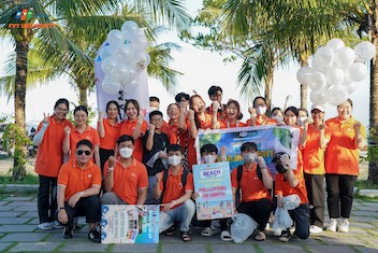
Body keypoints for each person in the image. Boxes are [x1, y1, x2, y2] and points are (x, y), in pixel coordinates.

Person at [325, 99, 367, 233]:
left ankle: (345, 221)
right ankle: (333, 220)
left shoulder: (357, 124)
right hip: (331, 165)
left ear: (351, 108)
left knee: (346, 194)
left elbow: (361, 146)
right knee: (333, 194)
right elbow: (324, 143)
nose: (344, 110)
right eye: (341, 107)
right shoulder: (329, 123)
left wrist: (357, 131)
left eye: (347, 107)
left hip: (349, 167)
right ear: (337, 108)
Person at [33, 98, 72, 230]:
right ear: (55, 109)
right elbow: (36, 141)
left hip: (60, 167)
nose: (62, 112)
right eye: (59, 109)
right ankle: (44, 220)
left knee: (57, 194)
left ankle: (56, 218)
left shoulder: (68, 124)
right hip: (44, 165)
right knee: (43, 193)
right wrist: (44, 127)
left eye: (64, 110)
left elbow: (68, 147)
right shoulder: (46, 121)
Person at [57, 139, 102, 242]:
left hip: (86, 202)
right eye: (80, 152)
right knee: (61, 216)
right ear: (75, 153)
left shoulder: (95, 169)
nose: (83, 155)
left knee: (94, 200)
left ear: (91, 154)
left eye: (87, 152)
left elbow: (96, 189)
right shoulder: (66, 167)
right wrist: (61, 209)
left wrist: (79, 194)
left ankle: (92, 230)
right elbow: (60, 190)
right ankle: (68, 226)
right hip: (69, 202)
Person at [231, 142, 273, 241]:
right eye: (245, 152)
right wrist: (232, 207)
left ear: (256, 154)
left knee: (264, 205)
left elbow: (269, 185)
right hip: (246, 203)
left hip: (262, 201)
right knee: (238, 223)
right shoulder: (237, 171)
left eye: (251, 152)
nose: (248, 154)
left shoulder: (261, 168)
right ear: (241, 154)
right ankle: (253, 226)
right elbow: (233, 191)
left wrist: (263, 168)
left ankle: (261, 229)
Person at [153, 144, 195, 242]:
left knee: (189, 204)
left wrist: (174, 202)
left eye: (177, 154)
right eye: (171, 155)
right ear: (167, 156)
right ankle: (171, 224)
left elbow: (188, 195)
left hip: (181, 208)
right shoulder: (163, 174)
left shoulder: (187, 175)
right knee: (154, 230)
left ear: (182, 156)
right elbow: (156, 196)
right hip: (166, 210)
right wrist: (157, 182)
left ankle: (184, 230)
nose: (174, 157)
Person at [193, 143, 232, 241]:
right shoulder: (197, 170)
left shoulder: (221, 167)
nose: (209, 156)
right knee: (204, 200)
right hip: (205, 196)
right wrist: (195, 194)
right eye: (206, 154)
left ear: (216, 156)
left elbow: (225, 175)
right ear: (202, 156)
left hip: (220, 195)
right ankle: (208, 226)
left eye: (212, 153)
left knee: (224, 198)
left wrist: (223, 156)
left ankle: (224, 228)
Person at [303, 104, 329, 234]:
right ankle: (309, 220)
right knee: (307, 197)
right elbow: (302, 144)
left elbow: (322, 145)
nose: (316, 115)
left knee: (317, 197)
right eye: (314, 113)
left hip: (317, 168)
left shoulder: (326, 129)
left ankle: (318, 222)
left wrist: (322, 131)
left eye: (319, 113)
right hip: (305, 167)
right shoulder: (307, 128)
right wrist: (304, 127)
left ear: (323, 114)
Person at [101, 135, 148, 205]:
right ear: (118, 147)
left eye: (129, 146)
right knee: (107, 197)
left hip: (131, 204)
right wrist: (111, 167)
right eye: (123, 146)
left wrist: (137, 209)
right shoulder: (109, 163)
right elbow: (108, 188)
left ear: (133, 148)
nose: (126, 149)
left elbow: (143, 192)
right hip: (116, 201)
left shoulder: (141, 167)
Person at [273, 152, 310, 242]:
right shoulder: (278, 176)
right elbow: (279, 194)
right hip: (286, 205)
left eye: (280, 163)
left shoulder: (297, 173)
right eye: (277, 163)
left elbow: (293, 183)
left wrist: (288, 167)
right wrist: (280, 204)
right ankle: (285, 229)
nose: (278, 165)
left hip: (299, 205)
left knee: (303, 234)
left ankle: (296, 225)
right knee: (275, 204)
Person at [142, 111, 170, 204]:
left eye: (159, 120)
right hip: (151, 171)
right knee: (151, 195)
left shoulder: (165, 136)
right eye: (154, 120)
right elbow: (149, 147)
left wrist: (165, 156)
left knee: (161, 196)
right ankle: (149, 217)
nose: (157, 122)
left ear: (162, 121)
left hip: (162, 170)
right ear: (150, 121)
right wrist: (151, 132)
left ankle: (160, 216)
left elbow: (168, 152)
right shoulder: (147, 134)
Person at [181, 95, 213, 170]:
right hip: (195, 158)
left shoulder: (211, 117)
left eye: (201, 102)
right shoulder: (189, 120)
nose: (199, 105)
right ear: (191, 108)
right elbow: (194, 135)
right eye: (196, 104)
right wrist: (191, 117)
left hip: (211, 157)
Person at [98, 100, 119, 172]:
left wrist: (115, 157)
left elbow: (117, 143)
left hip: (112, 153)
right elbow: (102, 135)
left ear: (118, 111)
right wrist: (100, 119)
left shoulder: (119, 125)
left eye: (115, 109)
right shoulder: (102, 121)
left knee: (110, 173)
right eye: (110, 109)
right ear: (107, 111)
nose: (112, 111)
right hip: (101, 151)